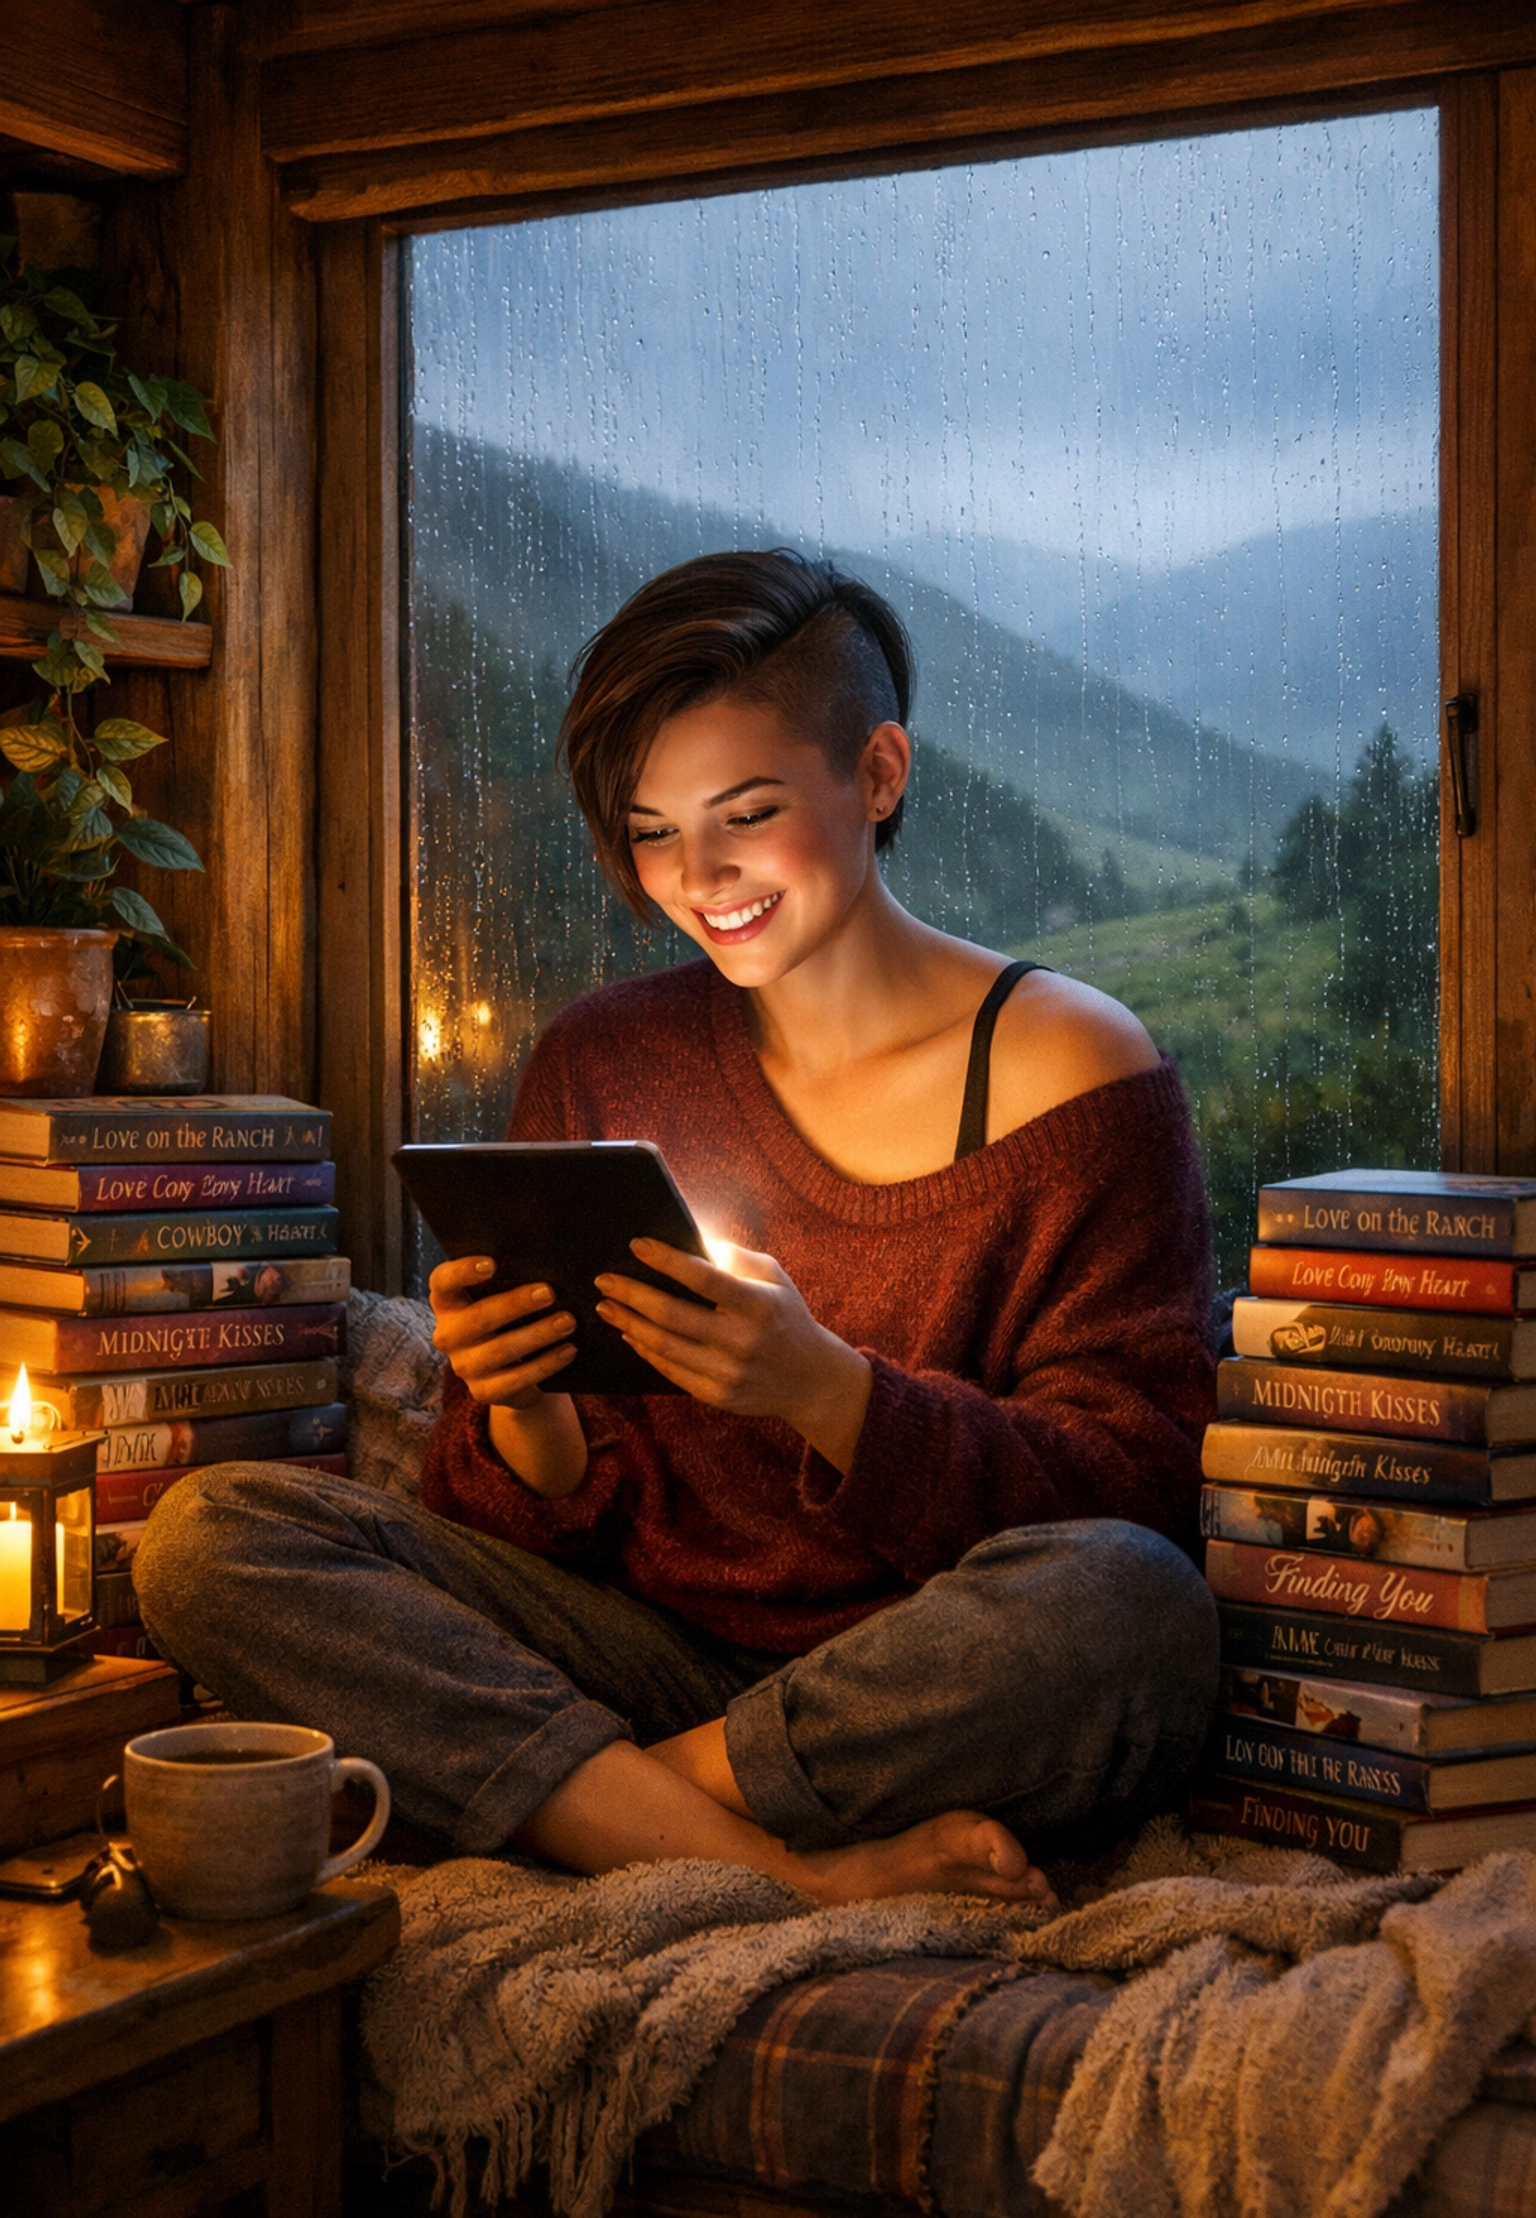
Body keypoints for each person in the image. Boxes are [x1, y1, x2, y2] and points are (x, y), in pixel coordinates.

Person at [134, 550, 1219, 1909]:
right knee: (210, 1536)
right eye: (652, 832)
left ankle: (621, 1803)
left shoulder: (1072, 1070)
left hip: (923, 1682)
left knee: (1133, 1606)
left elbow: (1139, 1487)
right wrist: (523, 1409)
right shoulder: (604, 1060)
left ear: (877, 776)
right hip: (633, 1644)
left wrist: (825, 1392)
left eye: (747, 813)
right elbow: (520, 1531)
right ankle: (785, 1872)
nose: (699, 876)